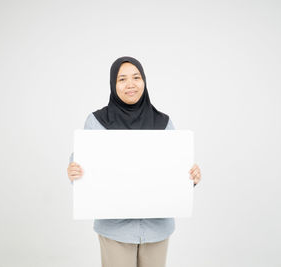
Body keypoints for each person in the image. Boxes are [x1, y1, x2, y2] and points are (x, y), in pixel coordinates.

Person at [67, 56, 202, 267]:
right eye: (122, 79)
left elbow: (176, 170)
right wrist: (74, 171)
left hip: (157, 228)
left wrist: (190, 178)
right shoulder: (97, 122)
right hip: (114, 229)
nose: (130, 84)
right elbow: (82, 167)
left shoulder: (163, 122)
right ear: (113, 84)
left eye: (136, 77)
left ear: (144, 81)